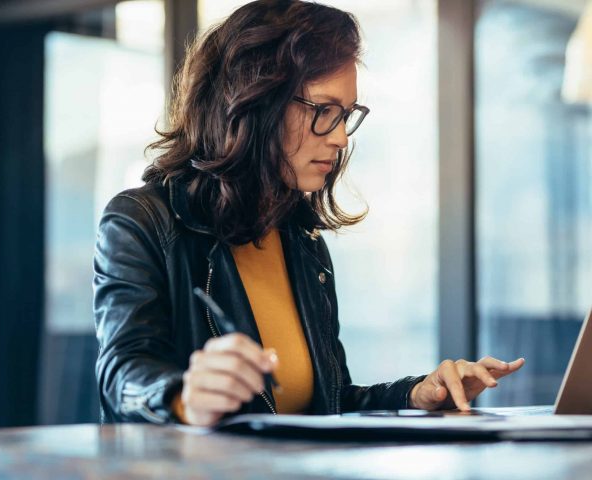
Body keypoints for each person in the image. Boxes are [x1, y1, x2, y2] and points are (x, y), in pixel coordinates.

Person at [94, 0, 524, 427]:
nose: (339, 138)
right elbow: (121, 376)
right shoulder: (140, 221)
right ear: (254, 102)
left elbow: (328, 403)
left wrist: (417, 393)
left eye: (345, 115)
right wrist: (185, 398)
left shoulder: (300, 239)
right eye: (323, 111)